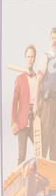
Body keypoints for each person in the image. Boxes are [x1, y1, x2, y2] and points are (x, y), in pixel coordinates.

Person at [11, 45, 37, 165]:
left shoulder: (38, 78)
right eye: (28, 56)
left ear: (34, 59)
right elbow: (14, 102)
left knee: (40, 151)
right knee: (22, 155)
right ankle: (20, 181)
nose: (30, 59)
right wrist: (14, 122)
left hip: (35, 121)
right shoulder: (20, 78)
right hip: (22, 122)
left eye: (32, 56)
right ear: (25, 59)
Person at [34, 27, 56, 160]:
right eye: (52, 38)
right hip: (47, 102)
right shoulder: (46, 56)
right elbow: (38, 80)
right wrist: (36, 103)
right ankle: (40, 171)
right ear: (50, 39)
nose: (54, 40)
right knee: (45, 137)